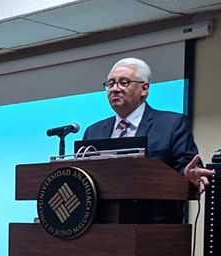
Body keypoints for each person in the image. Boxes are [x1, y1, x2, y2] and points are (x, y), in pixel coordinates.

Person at [83, 57, 214, 222]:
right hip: (102, 226)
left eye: (124, 83)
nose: (115, 89)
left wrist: (188, 177)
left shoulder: (171, 124)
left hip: (153, 225)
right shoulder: (93, 132)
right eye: (111, 84)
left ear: (144, 89)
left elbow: (188, 170)